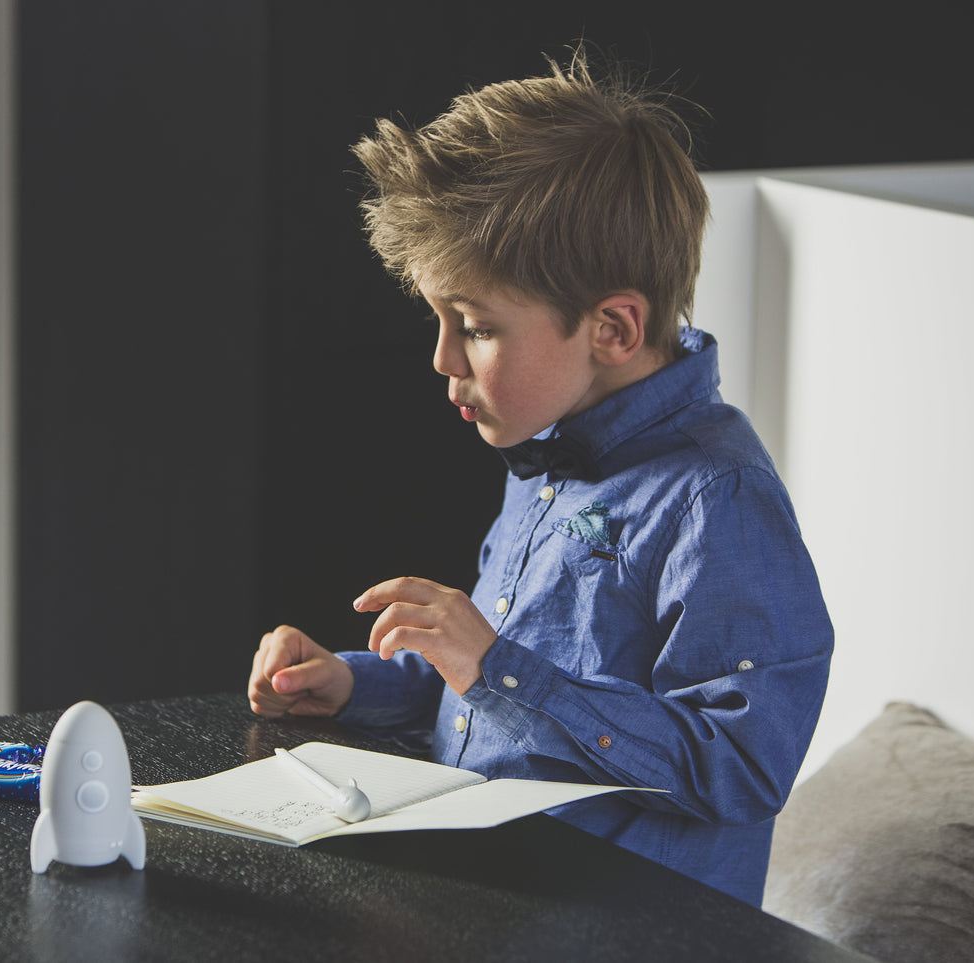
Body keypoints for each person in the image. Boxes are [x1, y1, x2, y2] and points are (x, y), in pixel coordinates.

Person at [246, 48, 833, 906]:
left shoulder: (718, 499)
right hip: (489, 899)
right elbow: (503, 699)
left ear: (612, 329)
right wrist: (352, 683)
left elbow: (742, 765)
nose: (443, 359)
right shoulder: (551, 454)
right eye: (439, 318)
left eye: (475, 326)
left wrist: (494, 664)